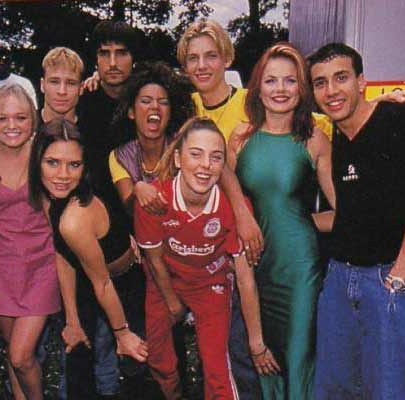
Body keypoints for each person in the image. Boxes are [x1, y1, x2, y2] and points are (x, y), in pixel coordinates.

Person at [307, 43, 405, 400]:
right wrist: (287, 224)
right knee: (335, 389)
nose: (331, 90)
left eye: (341, 78)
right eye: (321, 83)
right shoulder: (337, 134)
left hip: (389, 277)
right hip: (340, 279)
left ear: (362, 81)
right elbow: (350, 216)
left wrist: (397, 280)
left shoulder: (401, 122)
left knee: (391, 389)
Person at [227, 43, 335, 400]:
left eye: (290, 80)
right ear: (257, 86)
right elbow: (224, 186)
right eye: (271, 80)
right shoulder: (240, 137)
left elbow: (345, 213)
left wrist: (303, 224)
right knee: (266, 361)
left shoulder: (314, 139)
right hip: (254, 263)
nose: (280, 89)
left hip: (299, 267)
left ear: (302, 88)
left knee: (298, 355)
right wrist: (243, 216)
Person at [135, 117, 265, 400]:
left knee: (218, 367)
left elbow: (245, 280)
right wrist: (173, 303)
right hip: (165, 281)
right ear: (178, 159)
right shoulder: (154, 200)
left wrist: (256, 343)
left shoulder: (234, 208)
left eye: (215, 157)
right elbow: (154, 262)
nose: (206, 165)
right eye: (196, 154)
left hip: (210, 284)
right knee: (159, 359)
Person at [27, 119, 148, 399]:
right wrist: (72, 319)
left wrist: (122, 333)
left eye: (74, 165)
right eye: (52, 163)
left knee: (136, 367)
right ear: (37, 162)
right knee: (79, 358)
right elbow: (64, 255)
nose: (63, 175)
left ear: (84, 167)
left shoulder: (75, 217)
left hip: (124, 286)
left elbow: (103, 284)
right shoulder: (49, 198)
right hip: (88, 279)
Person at [0, 84, 60, 400]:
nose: (12, 125)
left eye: (20, 117)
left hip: (40, 266)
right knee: (14, 352)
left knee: (21, 356)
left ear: (33, 119)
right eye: (2, 118)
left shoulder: (44, 155)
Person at [78, 20, 150, 398]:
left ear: (133, 58)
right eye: (104, 53)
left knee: (142, 330)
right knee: (97, 334)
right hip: (93, 232)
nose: (112, 62)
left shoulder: (146, 99)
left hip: (142, 232)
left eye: (121, 53)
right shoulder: (85, 101)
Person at [109, 61, 194, 211]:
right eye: (146, 101)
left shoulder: (186, 145)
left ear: (170, 112)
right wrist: (137, 190)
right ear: (131, 112)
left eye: (163, 102)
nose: (155, 106)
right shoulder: (119, 156)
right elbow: (130, 210)